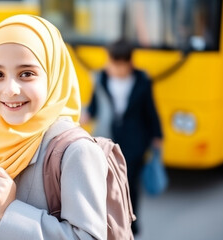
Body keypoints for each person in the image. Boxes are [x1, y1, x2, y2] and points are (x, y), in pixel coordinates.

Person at [0, 14, 109, 239]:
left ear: (53, 74)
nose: (11, 89)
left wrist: (12, 211)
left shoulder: (76, 151)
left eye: (26, 74)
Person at [81, 39, 163, 237]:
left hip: (135, 142)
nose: (113, 69)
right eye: (111, 63)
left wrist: (157, 135)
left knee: (129, 184)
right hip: (106, 140)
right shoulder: (101, 78)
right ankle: (108, 223)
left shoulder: (143, 81)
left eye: (118, 65)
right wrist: (84, 117)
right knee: (104, 183)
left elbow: (150, 110)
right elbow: (94, 106)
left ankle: (131, 224)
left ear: (129, 63)